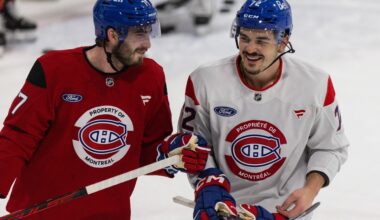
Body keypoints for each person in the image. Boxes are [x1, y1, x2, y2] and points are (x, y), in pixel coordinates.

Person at [0, 0, 210, 219]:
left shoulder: (151, 77)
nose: (147, 43)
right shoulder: (53, 70)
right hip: (39, 214)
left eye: (149, 32)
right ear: (112, 35)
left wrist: (174, 152)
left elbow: (150, 149)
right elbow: (18, 137)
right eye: (139, 33)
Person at [178, 0, 349, 219]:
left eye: (261, 41)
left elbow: (331, 147)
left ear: (283, 41)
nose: (250, 48)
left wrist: (309, 191)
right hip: (223, 208)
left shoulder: (316, 84)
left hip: (284, 211)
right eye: (244, 38)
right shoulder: (204, 80)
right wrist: (209, 185)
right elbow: (192, 147)